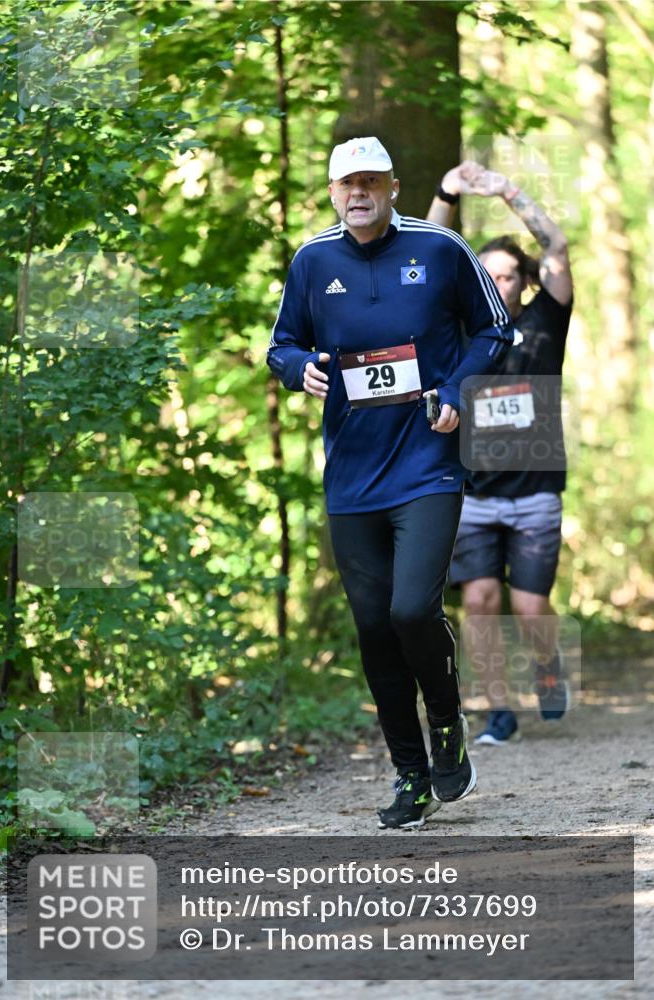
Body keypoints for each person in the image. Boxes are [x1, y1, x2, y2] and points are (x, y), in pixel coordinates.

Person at [267, 137, 513, 827]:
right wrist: (297, 370)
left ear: (393, 186)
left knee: (411, 611)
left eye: (370, 181)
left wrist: (457, 390)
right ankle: (410, 774)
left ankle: (445, 720)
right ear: (331, 191)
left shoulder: (439, 249)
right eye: (347, 183)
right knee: (374, 629)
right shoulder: (313, 260)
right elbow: (279, 344)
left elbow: (492, 330)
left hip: (427, 464)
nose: (358, 193)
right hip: (350, 476)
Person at [427, 161, 573, 746]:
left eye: (509, 275)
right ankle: (497, 711)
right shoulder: (458, 334)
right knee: (482, 601)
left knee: (531, 606)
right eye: (486, 276)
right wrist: (448, 191)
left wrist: (506, 190)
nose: (498, 284)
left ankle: (548, 665)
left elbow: (557, 243)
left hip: (536, 491)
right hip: (476, 494)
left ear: (525, 282)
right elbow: (431, 253)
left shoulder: (545, 323)